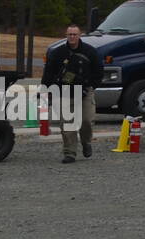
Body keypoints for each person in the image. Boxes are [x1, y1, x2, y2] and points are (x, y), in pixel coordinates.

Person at [39, 24, 102, 164]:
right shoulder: (57, 53)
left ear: (80, 35)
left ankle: (86, 142)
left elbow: (99, 72)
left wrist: (91, 87)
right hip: (64, 93)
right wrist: (44, 90)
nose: (72, 37)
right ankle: (70, 152)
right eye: (69, 34)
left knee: (86, 121)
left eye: (75, 34)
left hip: (85, 92)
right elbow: (48, 73)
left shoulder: (90, 52)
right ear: (66, 36)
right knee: (67, 124)